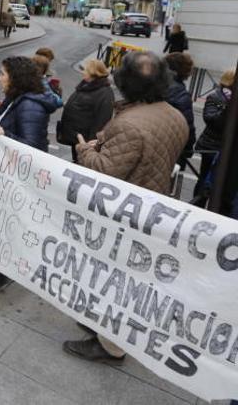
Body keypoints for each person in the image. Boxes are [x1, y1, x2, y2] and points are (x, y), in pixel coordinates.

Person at [63, 51, 188, 364]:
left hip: (124, 215)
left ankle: (110, 345)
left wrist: (84, 150)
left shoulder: (131, 123)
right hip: (154, 206)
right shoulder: (174, 115)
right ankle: (101, 325)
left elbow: (104, 170)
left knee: (114, 279)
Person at [0, 56, 60, 151]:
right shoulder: (15, 97)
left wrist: (5, 134)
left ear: (16, 78)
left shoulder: (31, 106)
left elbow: (32, 147)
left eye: (2, 74)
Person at [57, 59, 114, 162]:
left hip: (86, 141)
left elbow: (102, 120)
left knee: (81, 164)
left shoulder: (105, 93)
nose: (83, 72)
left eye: (86, 70)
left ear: (94, 73)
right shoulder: (86, 85)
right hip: (76, 138)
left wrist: (92, 144)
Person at [194, 69, 234, 201]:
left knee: (223, 183)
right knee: (205, 179)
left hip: (228, 149)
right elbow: (210, 120)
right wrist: (228, 109)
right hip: (211, 147)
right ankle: (198, 205)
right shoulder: (216, 96)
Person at [165, 52, 196, 166]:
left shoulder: (154, 84)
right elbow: (187, 125)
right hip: (169, 148)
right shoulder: (180, 93)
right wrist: (188, 149)